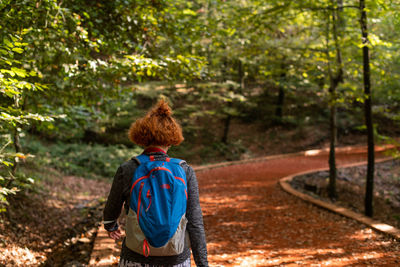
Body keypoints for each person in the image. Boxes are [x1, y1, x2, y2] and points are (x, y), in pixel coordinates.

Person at [103, 99, 209, 267]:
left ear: (141, 137)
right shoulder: (184, 170)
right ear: (172, 138)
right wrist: (203, 264)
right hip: (176, 259)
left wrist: (110, 226)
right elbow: (195, 222)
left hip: (136, 256)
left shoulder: (128, 168)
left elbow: (111, 209)